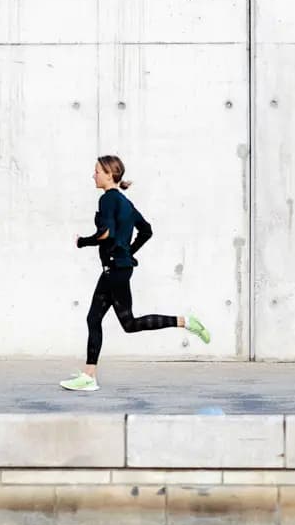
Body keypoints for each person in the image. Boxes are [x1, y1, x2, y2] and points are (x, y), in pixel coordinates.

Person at [60, 156, 209, 392]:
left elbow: (105, 233)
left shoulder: (108, 198)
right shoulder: (125, 202)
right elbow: (146, 230)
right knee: (111, 321)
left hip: (115, 270)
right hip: (119, 268)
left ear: (110, 174)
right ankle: (89, 374)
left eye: (97, 171)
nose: (94, 175)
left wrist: (82, 242)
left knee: (116, 321)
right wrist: (128, 252)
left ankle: (90, 376)